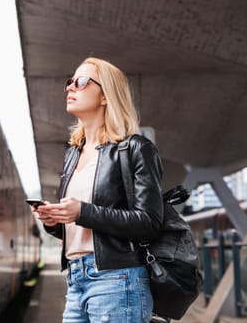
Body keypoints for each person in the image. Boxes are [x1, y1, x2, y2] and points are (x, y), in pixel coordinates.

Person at [35, 57, 164, 322]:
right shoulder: (73, 154)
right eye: (69, 82)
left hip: (118, 280)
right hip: (76, 279)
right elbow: (82, 229)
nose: (70, 88)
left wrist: (82, 211)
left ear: (105, 96)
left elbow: (150, 222)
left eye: (81, 82)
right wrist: (53, 221)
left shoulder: (136, 149)